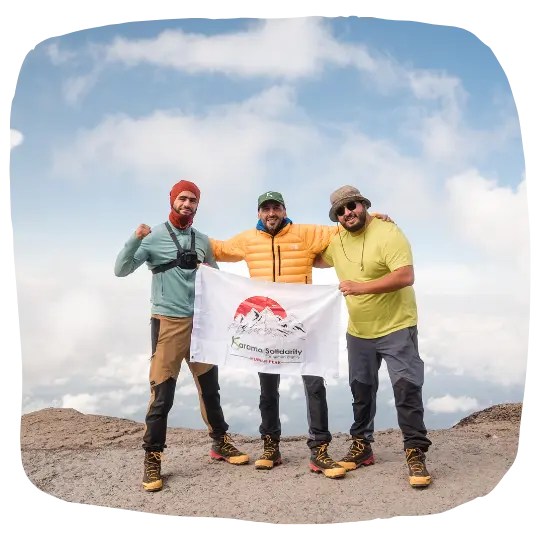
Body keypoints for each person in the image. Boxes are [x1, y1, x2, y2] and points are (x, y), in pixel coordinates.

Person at [210, 191, 393, 479]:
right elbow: (218, 248)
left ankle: (319, 449)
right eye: (266, 209)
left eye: (276, 207)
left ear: (284, 209)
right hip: (264, 326)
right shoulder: (247, 240)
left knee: (314, 386)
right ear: (259, 213)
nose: (271, 213)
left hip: (302, 323)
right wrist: (187, 237)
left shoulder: (305, 234)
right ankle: (271, 446)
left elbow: (342, 230)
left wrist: (374, 218)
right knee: (268, 390)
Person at [114, 180, 249, 493]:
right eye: (183, 199)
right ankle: (152, 458)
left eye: (193, 200)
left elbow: (215, 278)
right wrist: (134, 240)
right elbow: (121, 270)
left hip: (201, 323)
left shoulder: (201, 240)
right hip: (168, 324)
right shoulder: (153, 237)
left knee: (210, 389)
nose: (187, 204)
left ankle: (220, 442)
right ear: (172, 200)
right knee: (163, 394)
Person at [314, 185, 432, 488]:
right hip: (359, 332)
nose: (347, 213)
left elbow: (406, 276)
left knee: (407, 389)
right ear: (336, 217)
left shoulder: (389, 233)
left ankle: (415, 451)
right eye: (340, 211)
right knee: (361, 390)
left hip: (397, 327)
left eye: (351, 206)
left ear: (363, 204)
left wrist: (359, 287)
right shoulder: (336, 240)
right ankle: (362, 446)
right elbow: (314, 258)